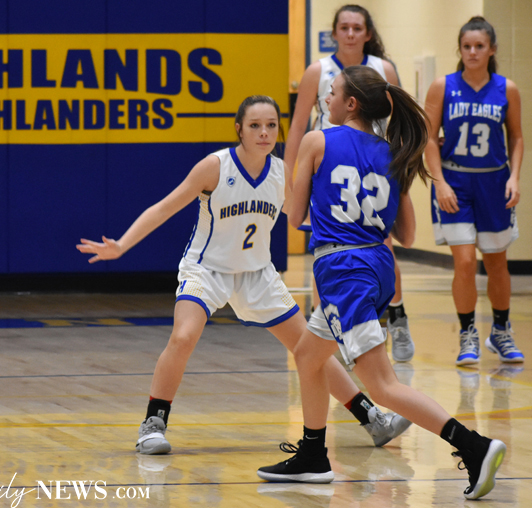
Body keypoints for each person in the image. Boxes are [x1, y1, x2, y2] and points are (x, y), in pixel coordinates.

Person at [77, 95, 410, 456]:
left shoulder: (281, 172)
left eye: (271, 126)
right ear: (239, 129)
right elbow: (164, 208)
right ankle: (153, 424)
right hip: (207, 269)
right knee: (183, 336)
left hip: (257, 275)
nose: (264, 132)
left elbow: (305, 217)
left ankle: (372, 418)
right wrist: (122, 245)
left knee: (309, 348)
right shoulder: (215, 166)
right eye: (255, 125)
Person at [257, 67, 506, 500]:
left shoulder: (317, 141)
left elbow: (294, 217)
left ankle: (474, 446)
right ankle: (313, 455)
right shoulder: (394, 152)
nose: (326, 100)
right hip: (379, 266)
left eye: (332, 93)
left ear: (351, 103)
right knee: (308, 356)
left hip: (343, 270)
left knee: (383, 387)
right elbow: (407, 235)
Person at [286, 4, 414, 362]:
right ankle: (339, 322)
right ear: (334, 33)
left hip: (361, 166)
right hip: (340, 165)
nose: (351, 34)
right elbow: (298, 124)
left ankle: (396, 315)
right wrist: (287, 176)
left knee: (342, 246)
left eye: (357, 27)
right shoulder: (318, 70)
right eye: (344, 27)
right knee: (309, 358)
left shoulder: (382, 70)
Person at [424, 16, 524, 365]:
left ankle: (501, 331)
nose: (472, 52)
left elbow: (517, 137)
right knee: (465, 262)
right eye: (466, 46)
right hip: (456, 182)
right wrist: (439, 182)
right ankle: (468, 334)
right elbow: (428, 138)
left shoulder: (507, 89)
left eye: (479, 46)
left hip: (494, 182)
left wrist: (515, 178)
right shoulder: (443, 86)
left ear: (492, 49)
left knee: (496, 263)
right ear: (460, 50)